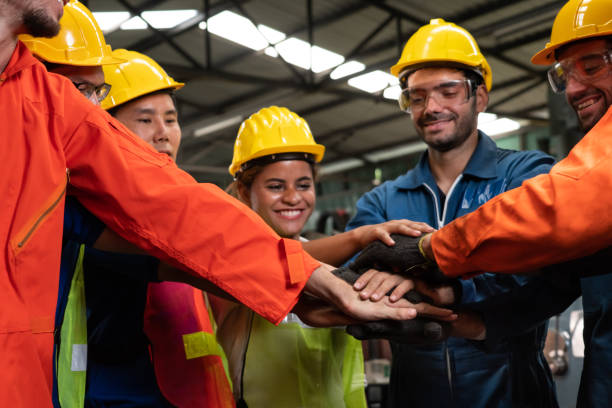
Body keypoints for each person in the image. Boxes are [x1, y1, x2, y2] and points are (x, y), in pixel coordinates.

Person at [0, 1, 430, 405]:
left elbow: (182, 220)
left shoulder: (47, 115)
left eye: (171, 118)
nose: (164, 132)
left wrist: (307, 281)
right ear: (244, 189)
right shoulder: (50, 139)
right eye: (144, 119)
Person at [345, 19, 560, 408]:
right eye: (417, 96)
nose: (432, 108)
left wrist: (449, 291)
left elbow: (540, 272)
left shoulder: (527, 175)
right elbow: (357, 282)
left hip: (513, 392)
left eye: (448, 91)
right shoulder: (380, 203)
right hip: (413, 394)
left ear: (480, 97)